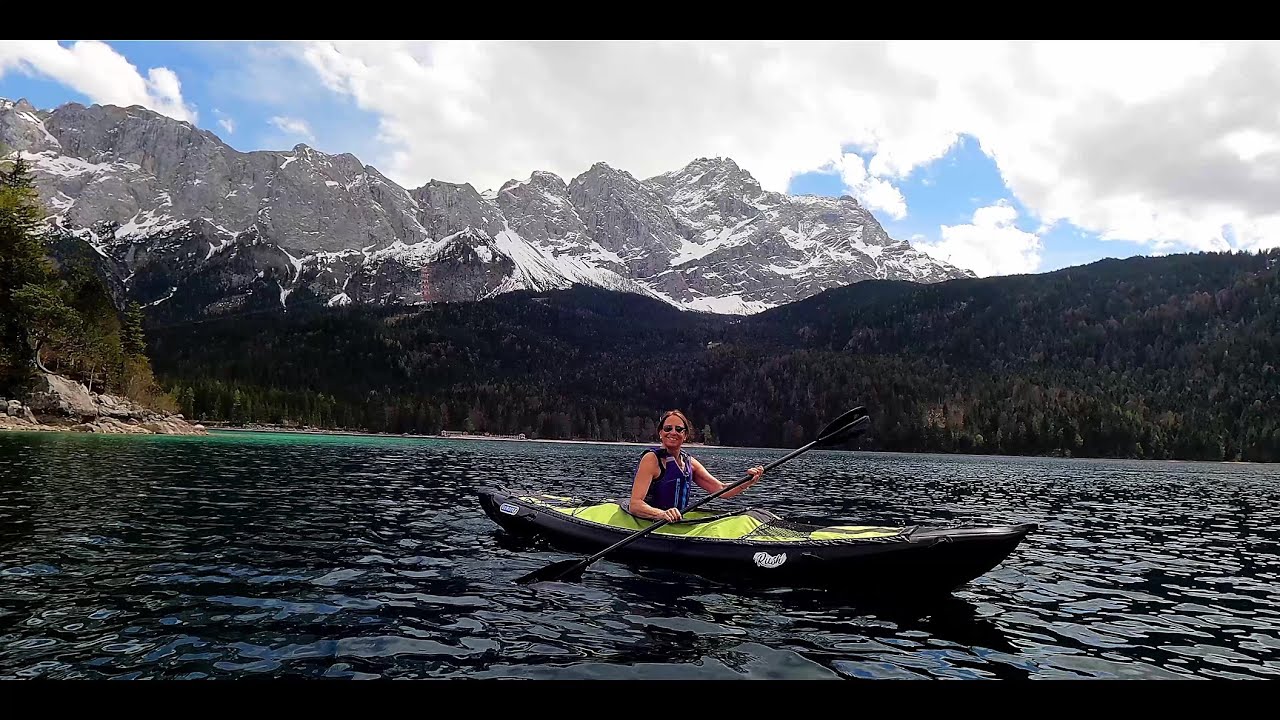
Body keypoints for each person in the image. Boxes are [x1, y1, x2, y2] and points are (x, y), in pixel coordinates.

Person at [626, 409, 764, 522]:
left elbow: (721, 490)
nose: (673, 432)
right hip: (650, 522)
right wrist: (661, 514)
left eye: (679, 429)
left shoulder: (689, 463)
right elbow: (635, 504)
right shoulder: (651, 459)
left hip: (675, 522)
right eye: (668, 428)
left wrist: (747, 482)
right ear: (660, 433)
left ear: (685, 435)